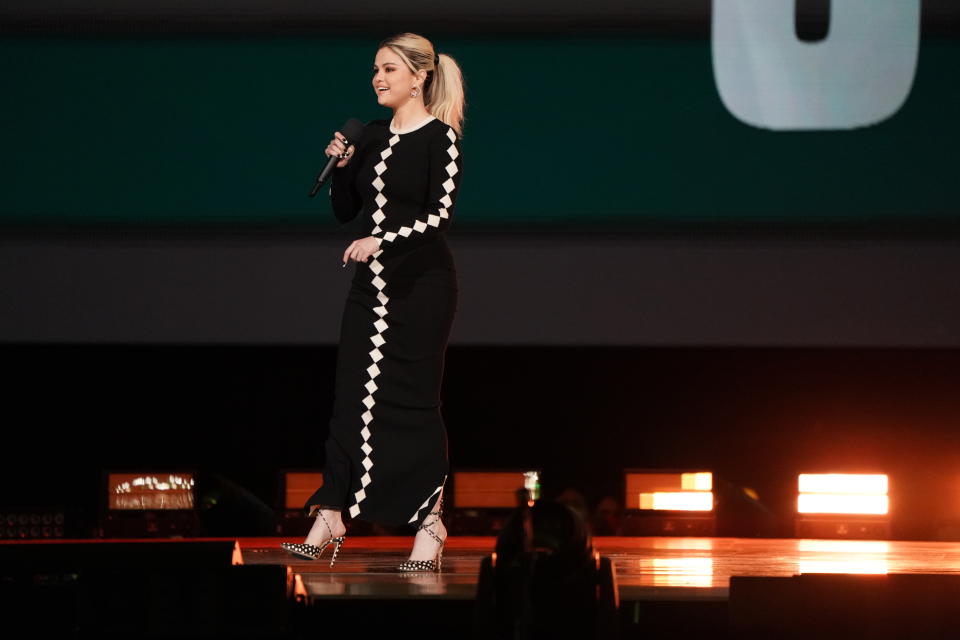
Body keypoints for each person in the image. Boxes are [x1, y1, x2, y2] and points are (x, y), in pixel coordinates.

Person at [281, 32, 466, 572]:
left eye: (389, 69)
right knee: (349, 396)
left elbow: (439, 216)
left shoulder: (441, 139)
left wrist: (382, 240)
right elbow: (346, 212)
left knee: (410, 402)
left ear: (419, 76)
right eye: (374, 71)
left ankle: (429, 521)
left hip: (421, 289)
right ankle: (333, 512)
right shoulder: (372, 137)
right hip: (371, 288)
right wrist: (341, 170)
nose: (378, 79)